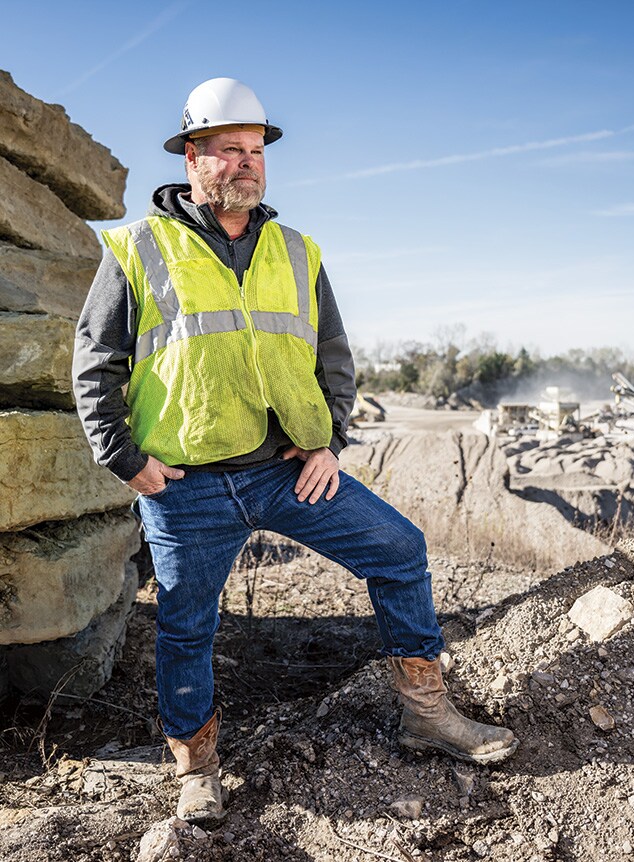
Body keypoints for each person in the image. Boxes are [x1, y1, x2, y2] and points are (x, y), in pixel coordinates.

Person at [72, 77, 518, 824]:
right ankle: (196, 766)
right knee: (187, 625)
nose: (247, 163)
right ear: (191, 156)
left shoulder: (297, 250)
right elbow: (95, 363)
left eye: (257, 150)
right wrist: (124, 458)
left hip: (287, 471)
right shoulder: (137, 248)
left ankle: (425, 711)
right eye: (228, 149)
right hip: (185, 486)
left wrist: (329, 443)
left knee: (400, 549)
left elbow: (333, 358)